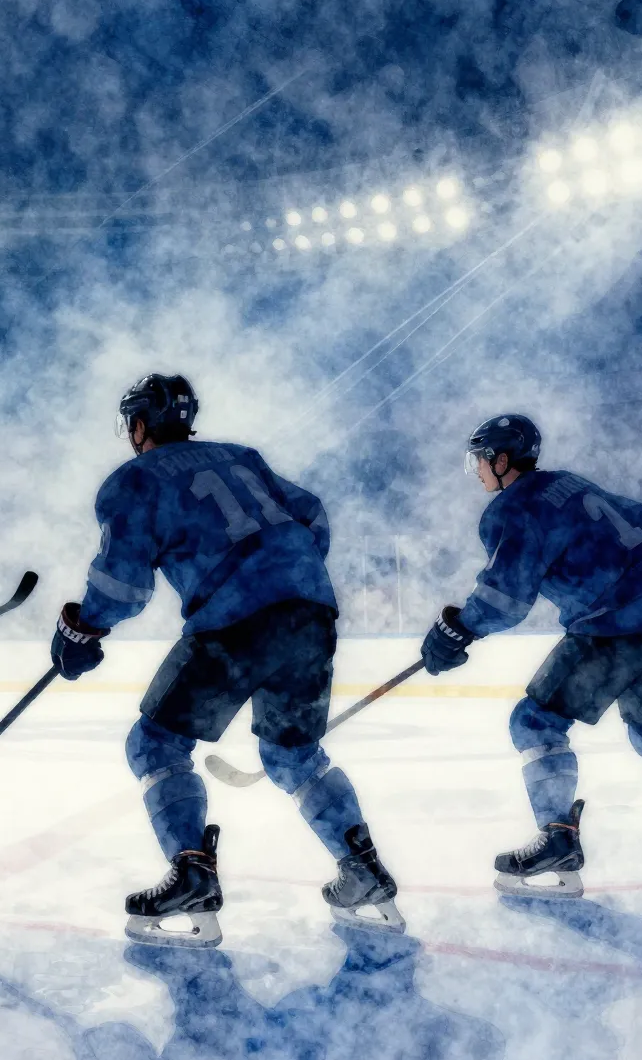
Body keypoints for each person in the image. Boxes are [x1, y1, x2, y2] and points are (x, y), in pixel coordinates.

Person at [51, 374, 401, 949]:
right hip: (311, 612)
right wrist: (289, 577)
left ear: (138, 425)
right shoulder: (242, 457)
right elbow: (312, 514)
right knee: (292, 755)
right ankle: (363, 869)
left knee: (155, 744)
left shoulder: (134, 479)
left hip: (233, 620)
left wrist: (81, 628)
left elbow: (124, 586)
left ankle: (191, 875)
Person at [420, 414, 642, 899]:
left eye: (479, 459)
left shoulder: (515, 507)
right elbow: (640, 516)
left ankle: (557, 841)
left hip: (613, 624)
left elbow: (506, 597)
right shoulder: (568, 483)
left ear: (501, 460)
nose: (475, 469)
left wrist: (457, 629)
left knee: (534, 723)